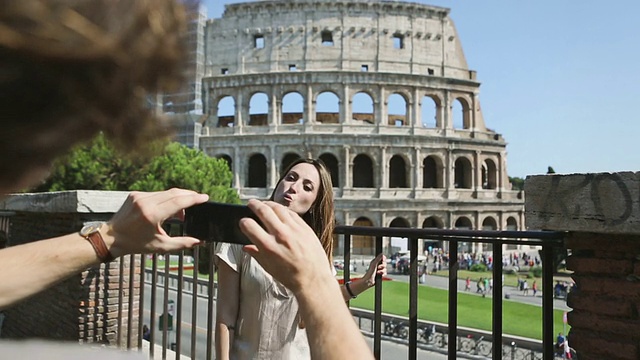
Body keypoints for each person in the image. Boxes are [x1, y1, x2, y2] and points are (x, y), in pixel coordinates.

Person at [215, 158, 387, 359]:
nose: (294, 188)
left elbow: (321, 299)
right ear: (279, 183)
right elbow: (226, 317)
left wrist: (363, 283)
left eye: (307, 187)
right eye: (290, 178)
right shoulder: (239, 237)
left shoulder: (313, 249)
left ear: (314, 203)